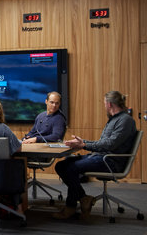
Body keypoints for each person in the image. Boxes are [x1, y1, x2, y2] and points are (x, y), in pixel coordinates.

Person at [53, 91, 137, 220]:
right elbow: (102, 143)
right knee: (62, 165)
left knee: (71, 168)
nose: (104, 107)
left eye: (104, 104)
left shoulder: (125, 121)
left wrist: (84, 146)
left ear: (109, 104)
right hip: (100, 157)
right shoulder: (114, 120)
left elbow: (109, 145)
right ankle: (84, 198)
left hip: (110, 161)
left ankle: (70, 207)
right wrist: (82, 143)